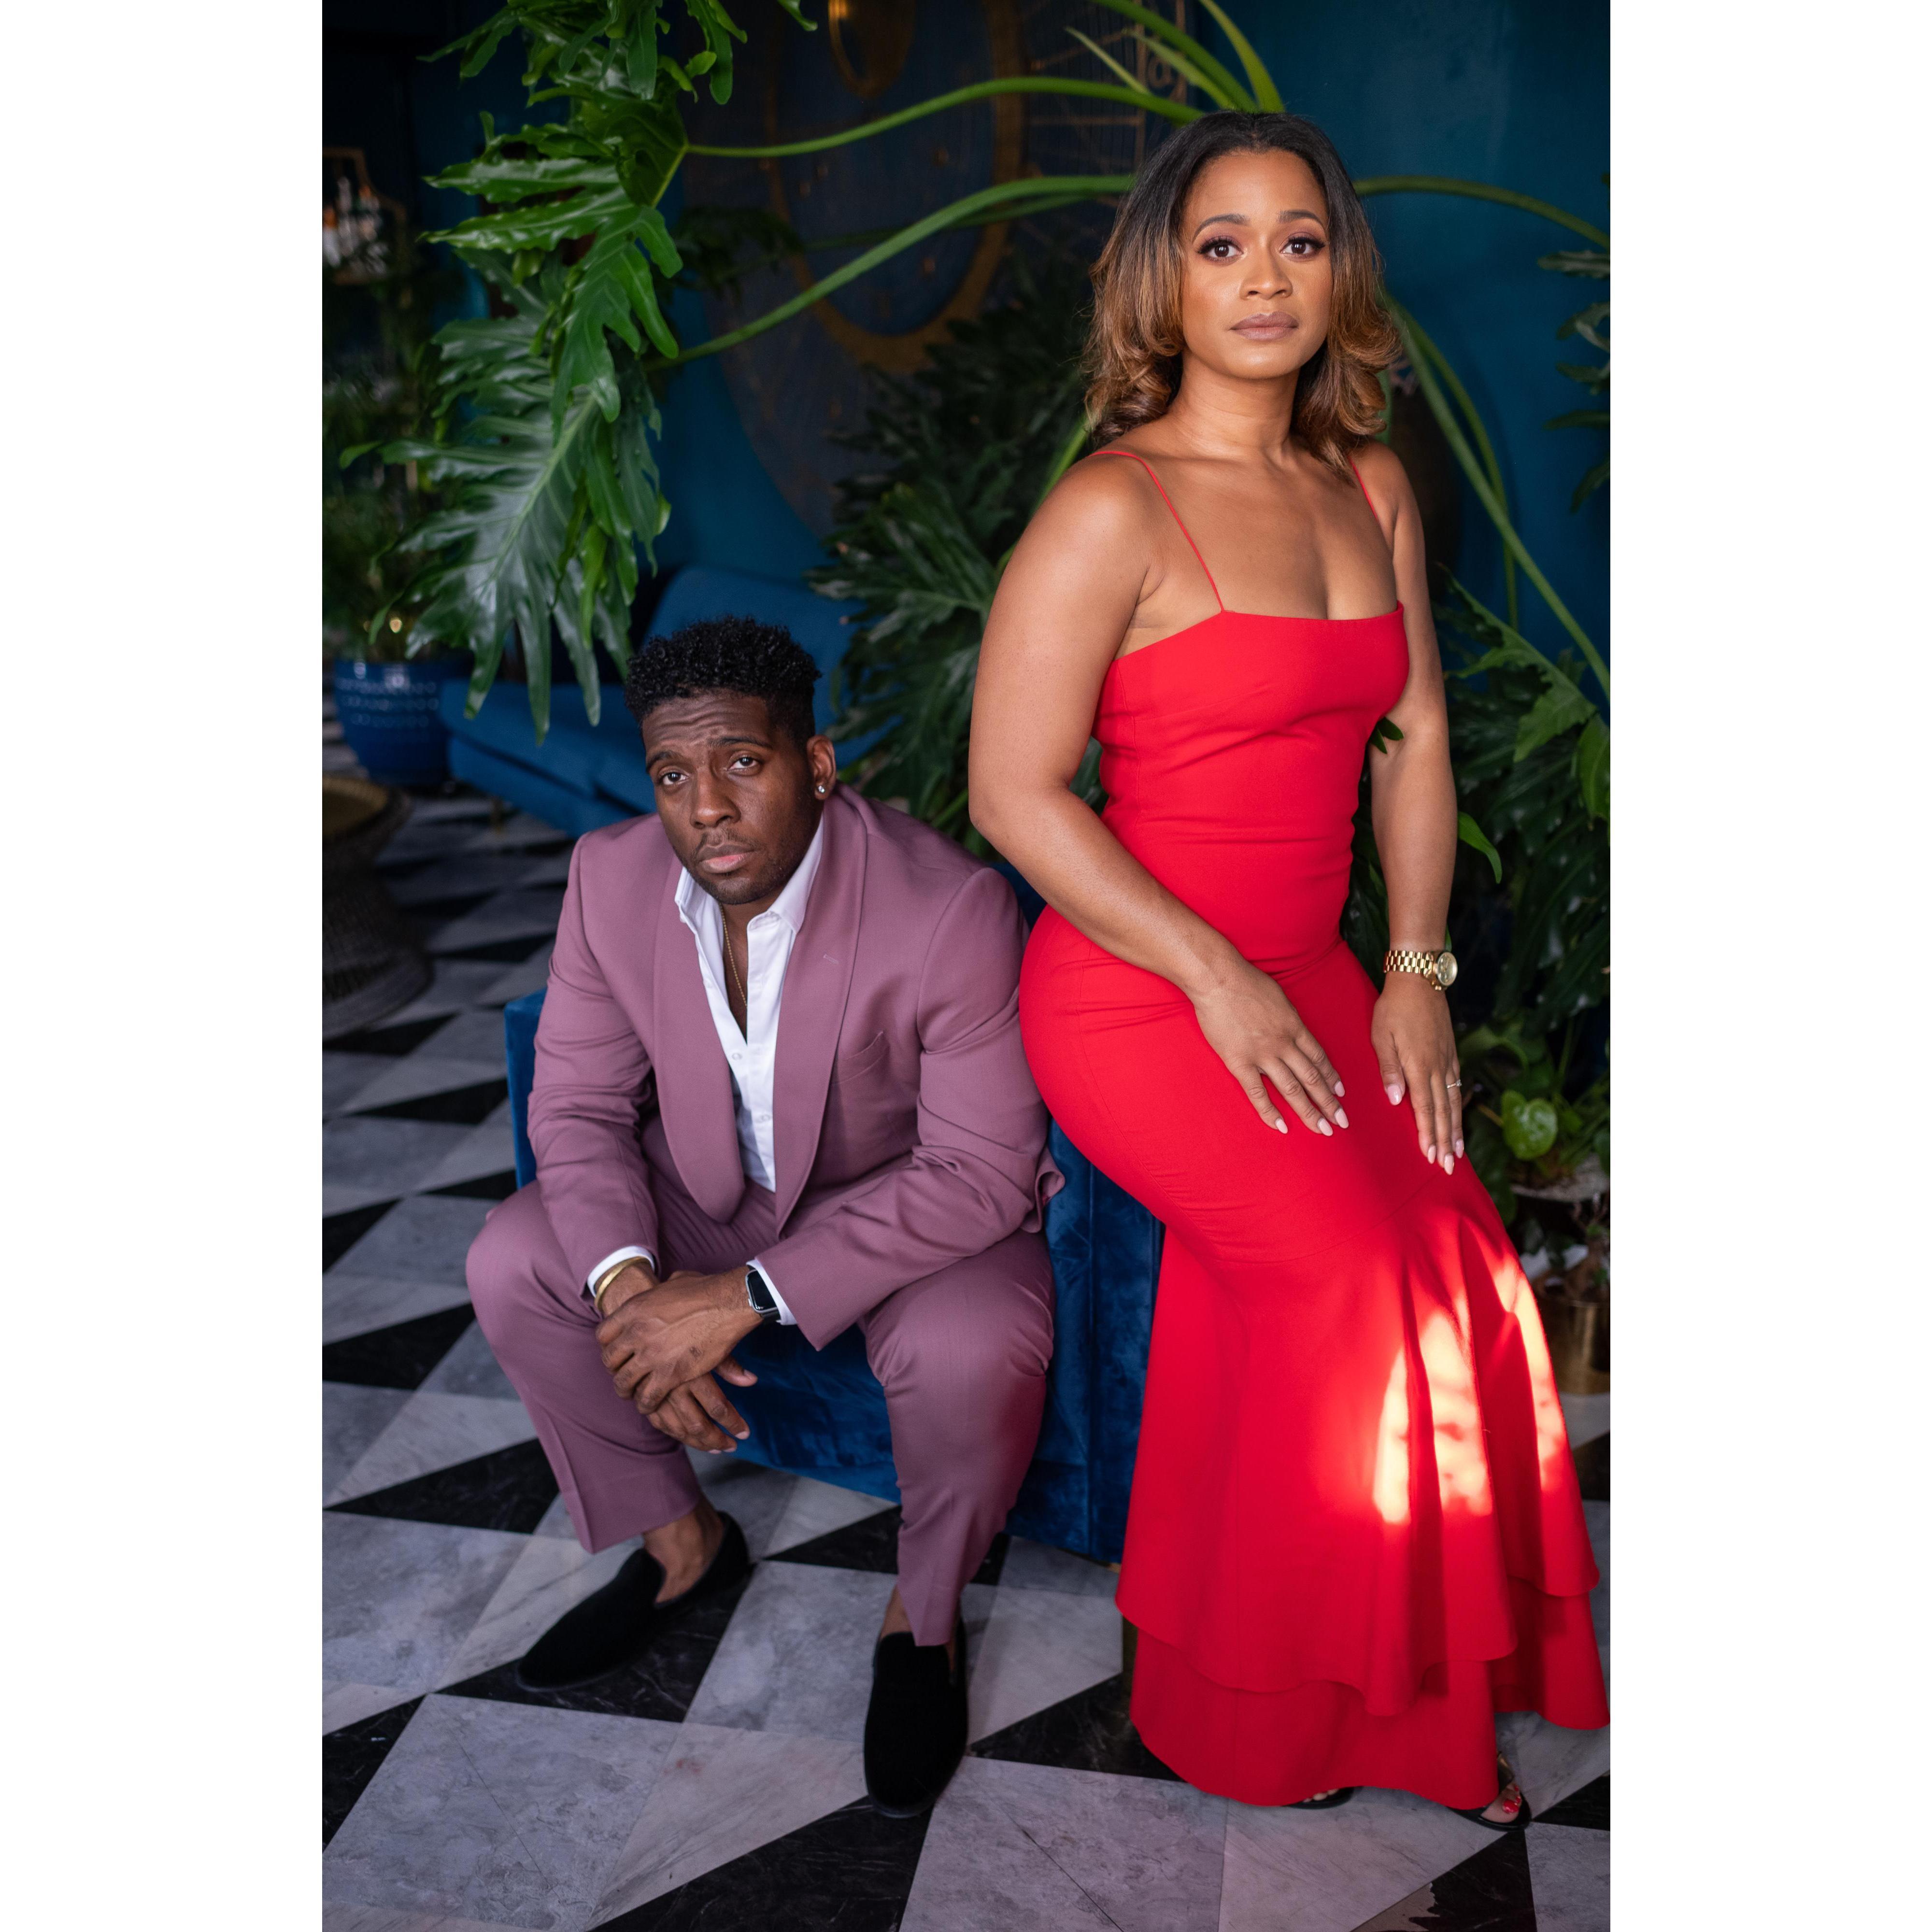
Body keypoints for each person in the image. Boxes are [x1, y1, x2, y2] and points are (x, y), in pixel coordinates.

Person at [968, 111, 1608, 1824]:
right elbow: (1013, 794)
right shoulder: (1111, 507)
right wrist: (1215, 975)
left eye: (1300, 241)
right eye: (1224, 243)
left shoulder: (1371, 485)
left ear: (1340, 274)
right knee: (1340, 1287)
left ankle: (1363, 1708)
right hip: (1138, 990)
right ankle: (1290, 1718)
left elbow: (1415, 743)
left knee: (1463, 1270)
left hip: (1321, 971)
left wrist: (1416, 971)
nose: (1266, 278)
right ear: (1165, 282)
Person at [467, 616, 1057, 1818]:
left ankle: (923, 1619)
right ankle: (680, 1544)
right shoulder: (610, 878)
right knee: (514, 1256)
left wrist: (737, 1299)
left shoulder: (948, 907)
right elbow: (576, 1103)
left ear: (817, 764)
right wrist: (633, 1296)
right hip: (709, 1191)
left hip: (904, 1208)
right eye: (672, 774)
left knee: (972, 1344)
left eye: (741, 761)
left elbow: (981, 1171)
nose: (705, 809)